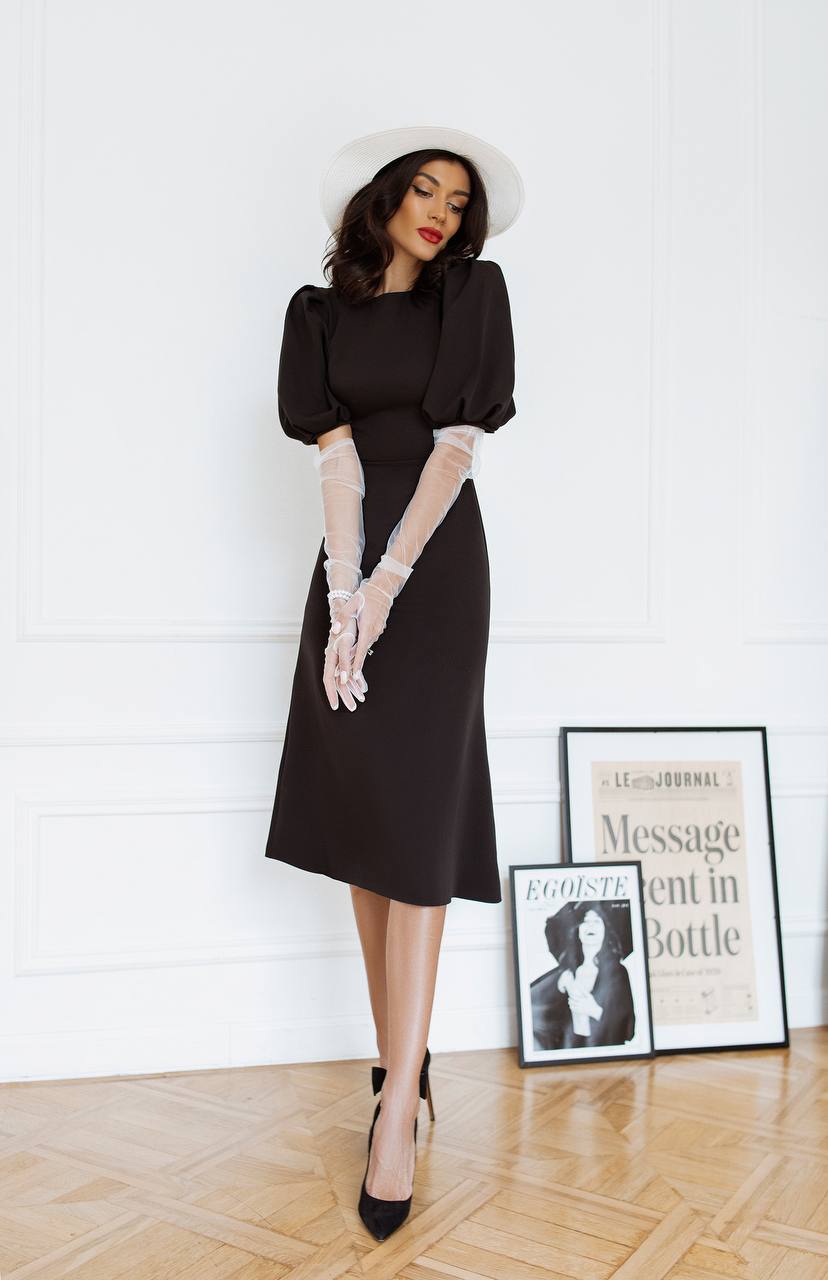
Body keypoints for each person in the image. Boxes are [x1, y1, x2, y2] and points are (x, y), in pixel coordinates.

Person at [264, 124, 523, 1241]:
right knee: (371, 826)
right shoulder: (316, 316)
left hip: (436, 569)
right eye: (423, 189)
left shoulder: (474, 299)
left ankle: (396, 1123)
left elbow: (455, 449)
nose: (440, 210)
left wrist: (389, 583)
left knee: (417, 830)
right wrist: (341, 595)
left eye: (458, 200)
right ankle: (400, 1069)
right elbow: (334, 457)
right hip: (351, 569)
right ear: (383, 198)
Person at [530, 903, 636, 1050]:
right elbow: (534, 1010)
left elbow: (628, 1030)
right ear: (578, 930)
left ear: (606, 930)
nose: (590, 926)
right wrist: (558, 988)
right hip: (566, 1051)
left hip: (603, 1054)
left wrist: (594, 1010)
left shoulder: (618, 974)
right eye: (585, 921)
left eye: (597, 921)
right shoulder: (564, 974)